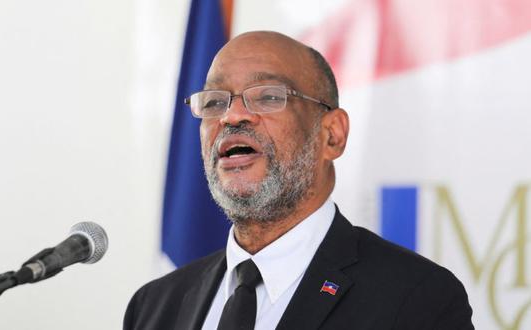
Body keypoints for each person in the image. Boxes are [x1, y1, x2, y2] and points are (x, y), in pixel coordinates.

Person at [124, 31, 474, 330]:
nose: (231, 116)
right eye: (214, 102)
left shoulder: (417, 299)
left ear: (332, 135)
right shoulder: (154, 308)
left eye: (268, 97)